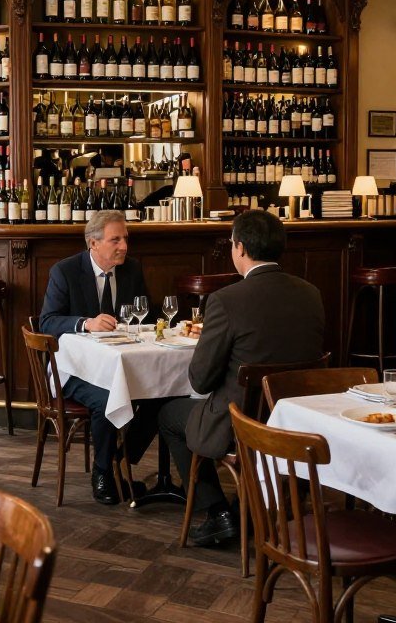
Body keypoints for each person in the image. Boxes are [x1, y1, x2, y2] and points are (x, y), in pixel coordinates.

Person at [158, 209, 325, 547]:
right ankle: (248, 506)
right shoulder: (311, 293)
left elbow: (201, 380)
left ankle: (218, 512)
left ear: (240, 248)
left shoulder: (226, 300)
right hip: (295, 421)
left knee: (168, 416)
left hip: (244, 424)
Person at [38, 210, 157, 505]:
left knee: (161, 397)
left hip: (120, 364)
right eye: (115, 240)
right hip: (72, 370)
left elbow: (147, 317)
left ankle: (117, 460)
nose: (124, 246)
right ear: (93, 243)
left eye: (125, 239)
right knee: (106, 398)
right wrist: (85, 323)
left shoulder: (132, 270)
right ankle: (102, 473)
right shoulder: (65, 271)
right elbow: (47, 322)